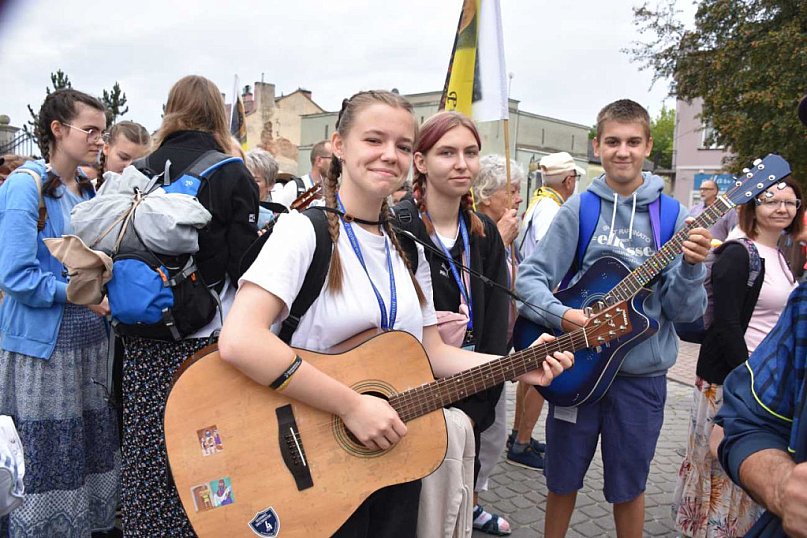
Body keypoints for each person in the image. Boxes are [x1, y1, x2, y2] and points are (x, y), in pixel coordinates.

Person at [218, 91, 573, 538]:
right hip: (312, 460)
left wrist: (518, 366)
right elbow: (240, 340)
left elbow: (433, 355)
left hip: (388, 460)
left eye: (403, 146)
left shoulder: (406, 246)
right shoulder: (301, 232)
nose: (391, 155)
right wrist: (351, 405)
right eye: (374, 140)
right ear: (340, 146)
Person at [516, 99, 713, 538]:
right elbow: (529, 281)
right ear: (597, 146)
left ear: (648, 147)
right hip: (577, 372)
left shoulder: (672, 217)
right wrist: (565, 317)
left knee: (629, 486)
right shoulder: (579, 210)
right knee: (561, 478)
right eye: (612, 142)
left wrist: (693, 269)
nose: (622, 151)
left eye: (632, 142)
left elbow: (685, 314)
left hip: (640, 381)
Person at [119, 75, 259, 536]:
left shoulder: (136, 169)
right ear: (218, 114)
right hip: (201, 341)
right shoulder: (230, 171)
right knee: (207, 449)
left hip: (140, 333)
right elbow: (243, 266)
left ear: (171, 110)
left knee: (146, 449)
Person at [0, 89, 120, 536]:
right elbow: (14, 276)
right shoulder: (23, 185)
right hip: (42, 356)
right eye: (90, 130)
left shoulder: (86, 187)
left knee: (83, 457)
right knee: (45, 463)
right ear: (57, 129)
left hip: (87, 351)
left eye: (101, 132)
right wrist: (78, 294)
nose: (98, 141)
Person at [395, 112, 511, 535]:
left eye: (470, 152)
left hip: (473, 390)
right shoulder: (399, 227)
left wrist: (487, 388)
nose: (462, 163)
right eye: (448, 152)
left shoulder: (484, 234)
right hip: (410, 397)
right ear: (421, 162)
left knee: (451, 506)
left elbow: (498, 318)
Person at [672, 176, 803, 537]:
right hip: (731, 379)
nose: (781, 207)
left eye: (789, 202)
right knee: (719, 468)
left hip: (764, 383)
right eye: (770, 200)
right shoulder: (737, 252)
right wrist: (744, 381)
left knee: (743, 477)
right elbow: (726, 325)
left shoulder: (783, 255)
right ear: (752, 208)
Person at [512, 151, 584, 472]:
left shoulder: (536, 204)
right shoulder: (555, 210)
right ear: (569, 180)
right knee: (545, 377)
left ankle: (518, 432)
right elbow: (553, 262)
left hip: (531, 301)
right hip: (548, 304)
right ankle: (522, 441)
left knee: (527, 373)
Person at [274, 139, 332, 208]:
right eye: (333, 158)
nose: (338, 163)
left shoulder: (338, 190)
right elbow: (278, 215)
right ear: (319, 161)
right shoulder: (294, 188)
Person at [245, 147, 279, 228]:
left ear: (270, 184)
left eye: (256, 181)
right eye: (245, 179)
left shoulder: (277, 217)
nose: (248, 184)